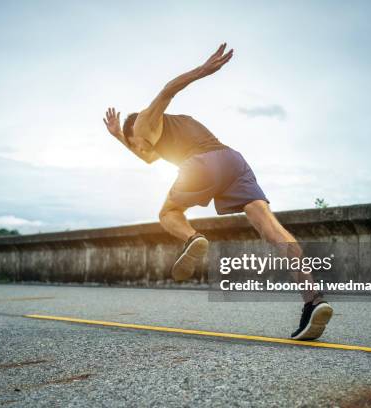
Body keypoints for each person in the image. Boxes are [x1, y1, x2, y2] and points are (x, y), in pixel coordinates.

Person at [103, 43, 333, 340]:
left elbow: (166, 90)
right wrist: (119, 137)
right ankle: (313, 299)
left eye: (135, 141)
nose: (139, 149)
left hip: (202, 164)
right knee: (272, 230)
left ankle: (193, 238)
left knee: (167, 213)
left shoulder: (145, 121)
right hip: (233, 162)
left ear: (137, 128)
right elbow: (147, 158)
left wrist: (203, 70)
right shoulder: (159, 136)